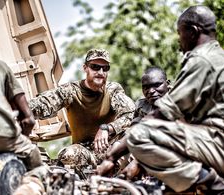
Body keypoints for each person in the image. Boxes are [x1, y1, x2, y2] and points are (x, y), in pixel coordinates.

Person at [97, 5, 224, 194]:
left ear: (193, 31)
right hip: (210, 141)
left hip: (217, 143)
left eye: (180, 34)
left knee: (139, 135)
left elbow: (162, 116)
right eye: (146, 87)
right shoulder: (218, 56)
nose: (179, 42)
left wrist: (111, 156)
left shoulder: (202, 61)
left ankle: (213, 185)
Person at [29, 48, 135, 167]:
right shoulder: (71, 91)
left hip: (111, 149)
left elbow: (130, 113)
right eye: (95, 67)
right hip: (84, 152)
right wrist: (16, 108)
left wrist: (107, 128)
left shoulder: (112, 91)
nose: (100, 72)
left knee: (135, 134)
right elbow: (43, 103)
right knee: (69, 155)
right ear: (85, 68)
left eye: (105, 68)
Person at [118, 66, 170, 179]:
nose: (151, 91)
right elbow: (132, 131)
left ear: (167, 83)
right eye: (145, 87)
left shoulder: (181, 100)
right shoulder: (142, 105)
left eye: (157, 85)